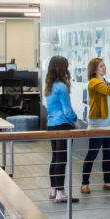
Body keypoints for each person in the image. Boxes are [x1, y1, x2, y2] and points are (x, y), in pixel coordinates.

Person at [81, 57, 110, 194]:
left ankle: (107, 182)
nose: (104, 68)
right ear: (94, 70)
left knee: (108, 154)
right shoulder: (94, 83)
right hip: (98, 125)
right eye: (101, 66)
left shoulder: (106, 82)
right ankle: (84, 184)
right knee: (92, 154)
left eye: (104, 65)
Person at [44, 55, 78, 204]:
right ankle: (60, 193)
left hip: (52, 124)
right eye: (66, 66)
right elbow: (67, 110)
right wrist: (76, 122)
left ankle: (54, 190)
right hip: (63, 124)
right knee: (61, 159)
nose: (67, 69)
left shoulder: (49, 85)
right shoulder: (62, 86)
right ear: (61, 67)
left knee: (55, 157)